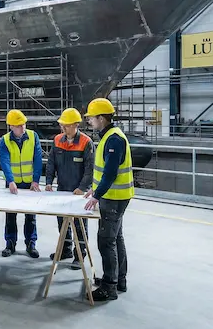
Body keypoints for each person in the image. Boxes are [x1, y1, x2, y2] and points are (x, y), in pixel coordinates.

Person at [82, 97, 134, 301]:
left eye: (92, 118)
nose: (90, 122)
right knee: (116, 238)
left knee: (106, 242)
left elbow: (111, 173)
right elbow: (104, 172)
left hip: (113, 198)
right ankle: (118, 279)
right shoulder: (110, 136)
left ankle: (109, 287)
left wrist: (96, 195)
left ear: (102, 118)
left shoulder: (113, 139)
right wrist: (94, 189)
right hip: (114, 196)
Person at [45, 107, 93, 266]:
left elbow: (90, 169)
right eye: (62, 125)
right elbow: (51, 162)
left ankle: (80, 255)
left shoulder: (86, 142)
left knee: (80, 224)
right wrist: (48, 182)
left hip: (79, 192)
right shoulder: (58, 140)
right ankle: (65, 249)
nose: (63, 128)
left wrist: (82, 188)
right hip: (62, 189)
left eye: (66, 125)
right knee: (62, 222)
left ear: (75, 125)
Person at [0, 109, 43, 258]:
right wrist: (10, 181)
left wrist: (36, 180)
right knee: (10, 214)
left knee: (30, 215)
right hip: (13, 184)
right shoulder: (5, 140)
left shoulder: (33, 136)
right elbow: (5, 162)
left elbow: (38, 159)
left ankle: (31, 244)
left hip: (29, 183)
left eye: (23, 124)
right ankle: (10, 243)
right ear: (11, 126)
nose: (22, 127)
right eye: (18, 125)